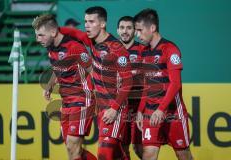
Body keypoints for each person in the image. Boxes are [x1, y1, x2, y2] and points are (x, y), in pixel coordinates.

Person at [59, 6, 133, 160]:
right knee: (116, 154)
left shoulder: (117, 49)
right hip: (100, 107)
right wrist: (53, 29)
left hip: (116, 108)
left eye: (91, 21)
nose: (87, 25)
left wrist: (114, 108)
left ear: (102, 24)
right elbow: (74, 33)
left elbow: (128, 82)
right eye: (85, 21)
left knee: (104, 154)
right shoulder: (91, 41)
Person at [32, 14, 96, 160]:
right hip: (66, 101)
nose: (38, 39)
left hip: (82, 100)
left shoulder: (75, 47)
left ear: (53, 32)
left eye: (41, 35)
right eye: (37, 35)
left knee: (73, 147)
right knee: (71, 149)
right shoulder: (51, 48)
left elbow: (93, 72)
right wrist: (49, 85)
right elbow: (57, 67)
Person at [134, 9, 194, 160]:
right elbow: (147, 85)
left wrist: (161, 109)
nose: (137, 35)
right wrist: (141, 110)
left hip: (173, 113)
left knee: (183, 155)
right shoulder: (144, 52)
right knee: (148, 154)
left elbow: (176, 84)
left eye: (140, 30)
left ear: (152, 28)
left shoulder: (170, 49)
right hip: (150, 113)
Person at [117, 16, 143, 159]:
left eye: (128, 28)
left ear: (134, 31)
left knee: (140, 149)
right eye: (122, 28)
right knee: (122, 148)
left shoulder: (142, 50)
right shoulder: (111, 50)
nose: (125, 31)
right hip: (120, 107)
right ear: (117, 30)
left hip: (139, 106)